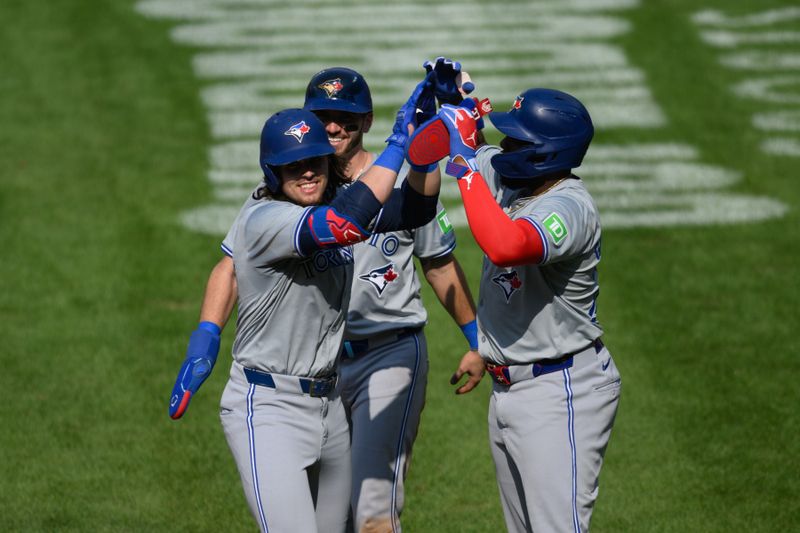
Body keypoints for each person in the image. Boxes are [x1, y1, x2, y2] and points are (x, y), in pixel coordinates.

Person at [174, 65, 481, 533]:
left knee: (358, 521)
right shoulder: (268, 218)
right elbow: (345, 226)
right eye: (293, 166)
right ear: (271, 173)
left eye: (314, 162)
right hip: (270, 404)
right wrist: (205, 338)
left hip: (329, 401)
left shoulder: (333, 196)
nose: (307, 172)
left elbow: (415, 210)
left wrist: (421, 152)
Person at [417, 87, 622, 532]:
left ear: (544, 154)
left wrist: (465, 169)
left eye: (516, 141)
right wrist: (453, 99)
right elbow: (468, 145)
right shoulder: (519, 180)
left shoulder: (568, 208)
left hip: (560, 391)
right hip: (511, 388)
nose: (504, 147)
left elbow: (507, 245)